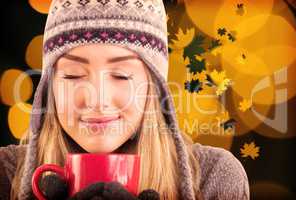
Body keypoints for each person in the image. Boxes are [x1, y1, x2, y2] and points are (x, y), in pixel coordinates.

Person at [0, 0, 250, 199]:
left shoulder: (215, 176)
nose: (97, 100)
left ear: (154, 86)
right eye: (73, 75)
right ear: (49, 86)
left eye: (121, 75)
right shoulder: (6, 172)